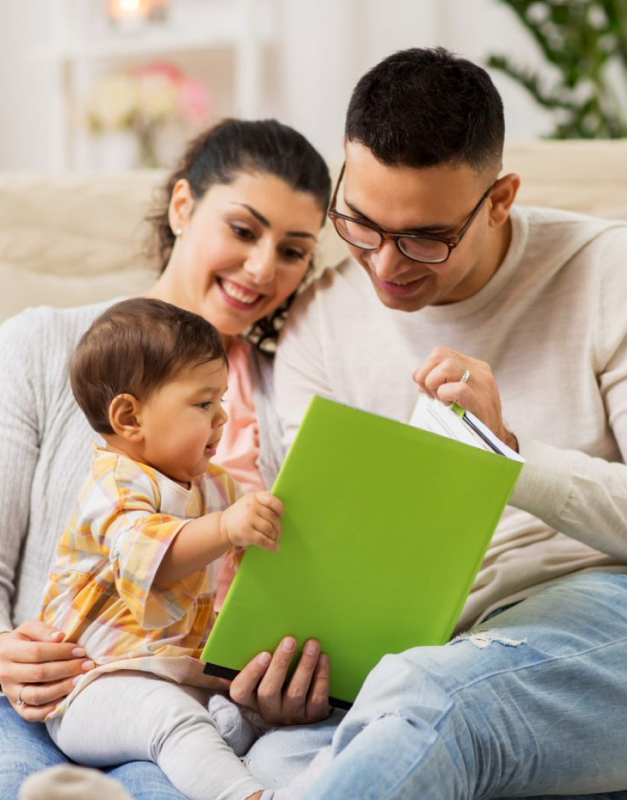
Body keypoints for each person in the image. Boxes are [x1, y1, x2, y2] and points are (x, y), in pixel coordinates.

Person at [250, 47, 627, 799]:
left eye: (425, 237)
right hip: (414, 650)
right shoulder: (319, 321)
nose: (386, 266)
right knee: (271, 758)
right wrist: (292, 671)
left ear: (499, 198)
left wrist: (505, 454)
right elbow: (325, 557)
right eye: (358, 224)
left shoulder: (604, 270)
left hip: (591, 606)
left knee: (432, 701)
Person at [0, 118, 332, 800]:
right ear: (183, 207)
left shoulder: (293, 395)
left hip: (207, 705)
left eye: (294, 250)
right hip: (52, 697)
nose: (264, 267)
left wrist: (284, 685)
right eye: (243, 230)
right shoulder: (42, 344)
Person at [42, 297, 286, 800]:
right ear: (129, 417)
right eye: (203, 403)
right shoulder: (114, 483)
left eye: (221, 399)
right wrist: (227, 528)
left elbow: (254, 563)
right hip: (89, 688)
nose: (222, 417)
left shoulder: (213, 485)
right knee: (172, 718)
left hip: (172, 670)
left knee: (243, 714)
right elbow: (147, 555)